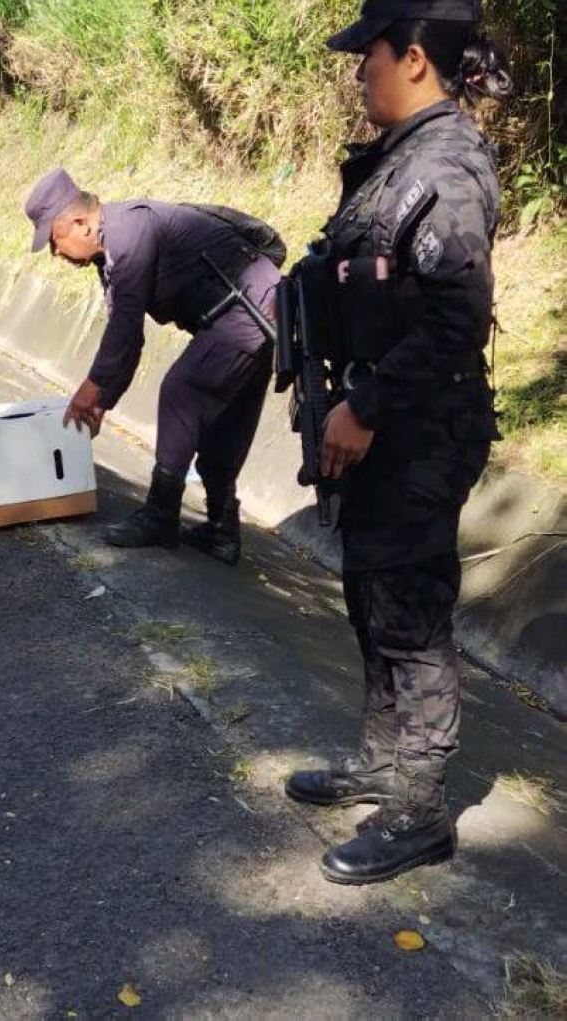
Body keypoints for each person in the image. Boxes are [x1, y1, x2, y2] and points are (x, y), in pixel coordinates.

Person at [283, 0, 510, 884]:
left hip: (419, 423)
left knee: (411, 608)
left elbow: (456, 316)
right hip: (385, 418)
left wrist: (368, 404)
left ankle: (419, 806)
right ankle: (382, 760)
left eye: (367, 54)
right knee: (371, 587)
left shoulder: (446, 165)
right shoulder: (397, 160)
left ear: (413, 58)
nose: (358, 70)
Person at [24, 170, 283, 565]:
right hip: (257, 309)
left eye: (55, 241)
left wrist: (90, 391)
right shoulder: (114, 249)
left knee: (182, 393)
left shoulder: (127, 237)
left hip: (247, 309)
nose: (56, 254)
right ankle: (222, 531)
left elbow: (124, 332)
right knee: (222, 417)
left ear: (80, 223)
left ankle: (161, 514)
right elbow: (129, 343)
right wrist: (102, 401)